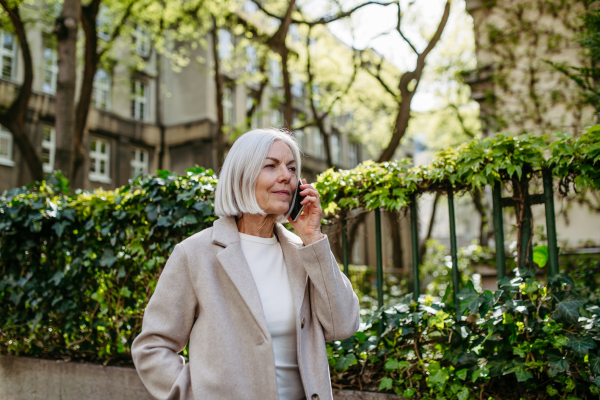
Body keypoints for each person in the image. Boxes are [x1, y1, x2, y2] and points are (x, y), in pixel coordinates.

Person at [132, 129, 360, 400]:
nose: (286, 175)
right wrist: (194, 395)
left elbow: (343, 324)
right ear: (242, 176)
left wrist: (312, 238)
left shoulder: (304, 254)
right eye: (271, 165)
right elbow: (153, 346)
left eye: (291, 167)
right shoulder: (195, 254)